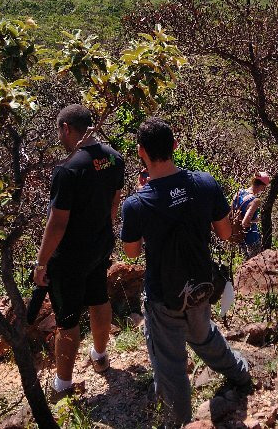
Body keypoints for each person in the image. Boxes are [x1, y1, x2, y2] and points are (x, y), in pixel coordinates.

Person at [121, 118, 251, 426]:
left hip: (163, 295)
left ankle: (179, 421)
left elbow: (132, 252)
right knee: (203, 335)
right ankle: (240, 374)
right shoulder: (204, 183)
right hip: (201, 284)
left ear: (141, 153)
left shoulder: (136, 204)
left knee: (170, 364)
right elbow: (223, 232)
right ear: (175, 146)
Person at [33, 104, 125, 396]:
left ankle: (62, 384)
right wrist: (102, 232)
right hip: (99, 245)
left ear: (66, 128)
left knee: (67, 320)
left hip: (69, 256)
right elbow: (114, 201)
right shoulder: (114, 159)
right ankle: (99, 356)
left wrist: (41, 262)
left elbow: (58, 222)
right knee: (98, 298)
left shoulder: (67, 169)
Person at [231, 171, 270, 259]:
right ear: (262, 186)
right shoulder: (255, 200)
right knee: (255, 265)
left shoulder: (238, 193)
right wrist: (255, 220)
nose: (263, 190)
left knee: (243, 262)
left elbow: (231, 212)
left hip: (238, 236)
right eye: (264, 188)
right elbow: (245, 223)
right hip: (251, 237)